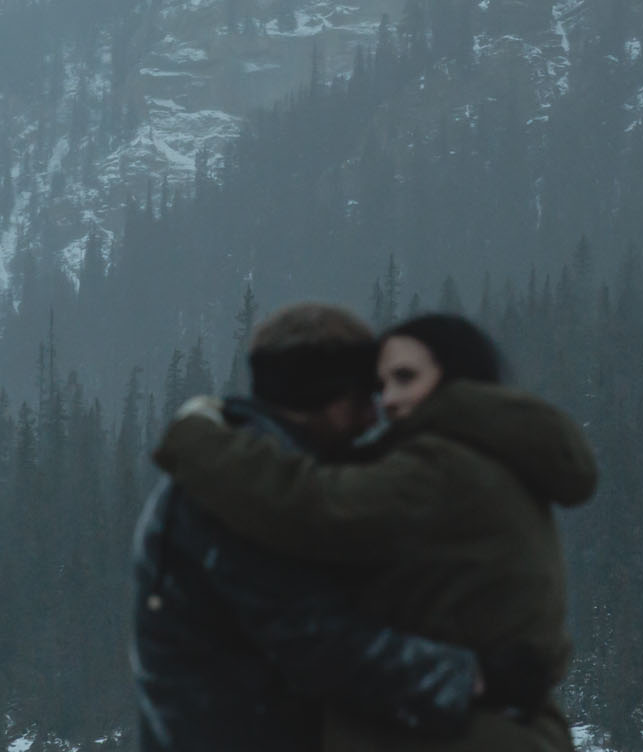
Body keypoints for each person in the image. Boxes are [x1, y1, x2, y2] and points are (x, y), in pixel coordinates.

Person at [156, 312, 597, 752]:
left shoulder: (442, 466)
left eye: (405, 378)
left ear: (457, 377)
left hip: (455, 735)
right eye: (381, 385)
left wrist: (197, 438)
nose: (387, 400)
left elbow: (311, 504)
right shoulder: (491, 455)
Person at [132, 301, 485, 752]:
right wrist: (471, 678)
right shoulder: (242, 496)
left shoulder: (246, 472)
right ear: (326, 395)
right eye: (362, 396)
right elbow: (315, 644)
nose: (373, 416)